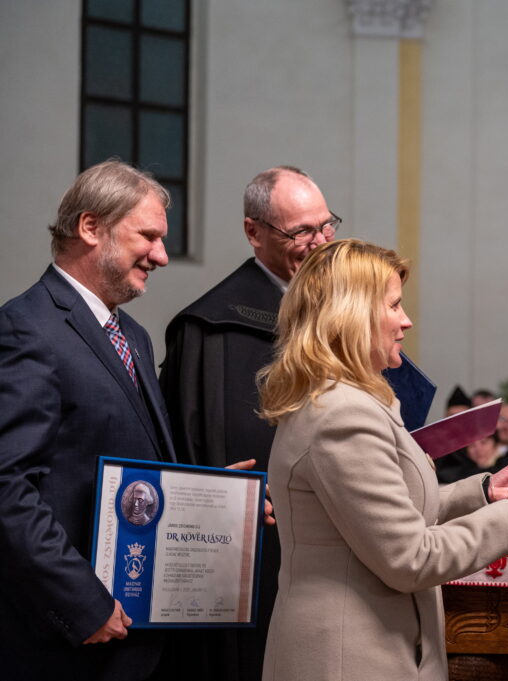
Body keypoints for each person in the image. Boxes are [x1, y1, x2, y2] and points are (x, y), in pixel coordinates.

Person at [257, 239, 508, 680]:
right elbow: (409, 557)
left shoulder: (348, 399)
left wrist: (483, 492)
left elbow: (389, 516)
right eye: (394, 305)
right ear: (353, 314)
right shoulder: (343, 414)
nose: (406, 321)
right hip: (349, 654)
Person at [0, 160, 177, 680]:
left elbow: (129, 460)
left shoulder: (136, 339)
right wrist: (81, 603)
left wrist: (209, 500)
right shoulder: (26, 328)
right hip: (66, 644)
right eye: (149, 236)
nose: (162, 256)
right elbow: (7, 486)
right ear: (91, 227)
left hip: (136, 641)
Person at [159, 165, 336, 681]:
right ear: (254, 232)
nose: (319, 242)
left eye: (326, 226)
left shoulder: (336, 314)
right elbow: (183, 451)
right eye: (300, 231)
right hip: (253, 554)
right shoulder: (209, 329)